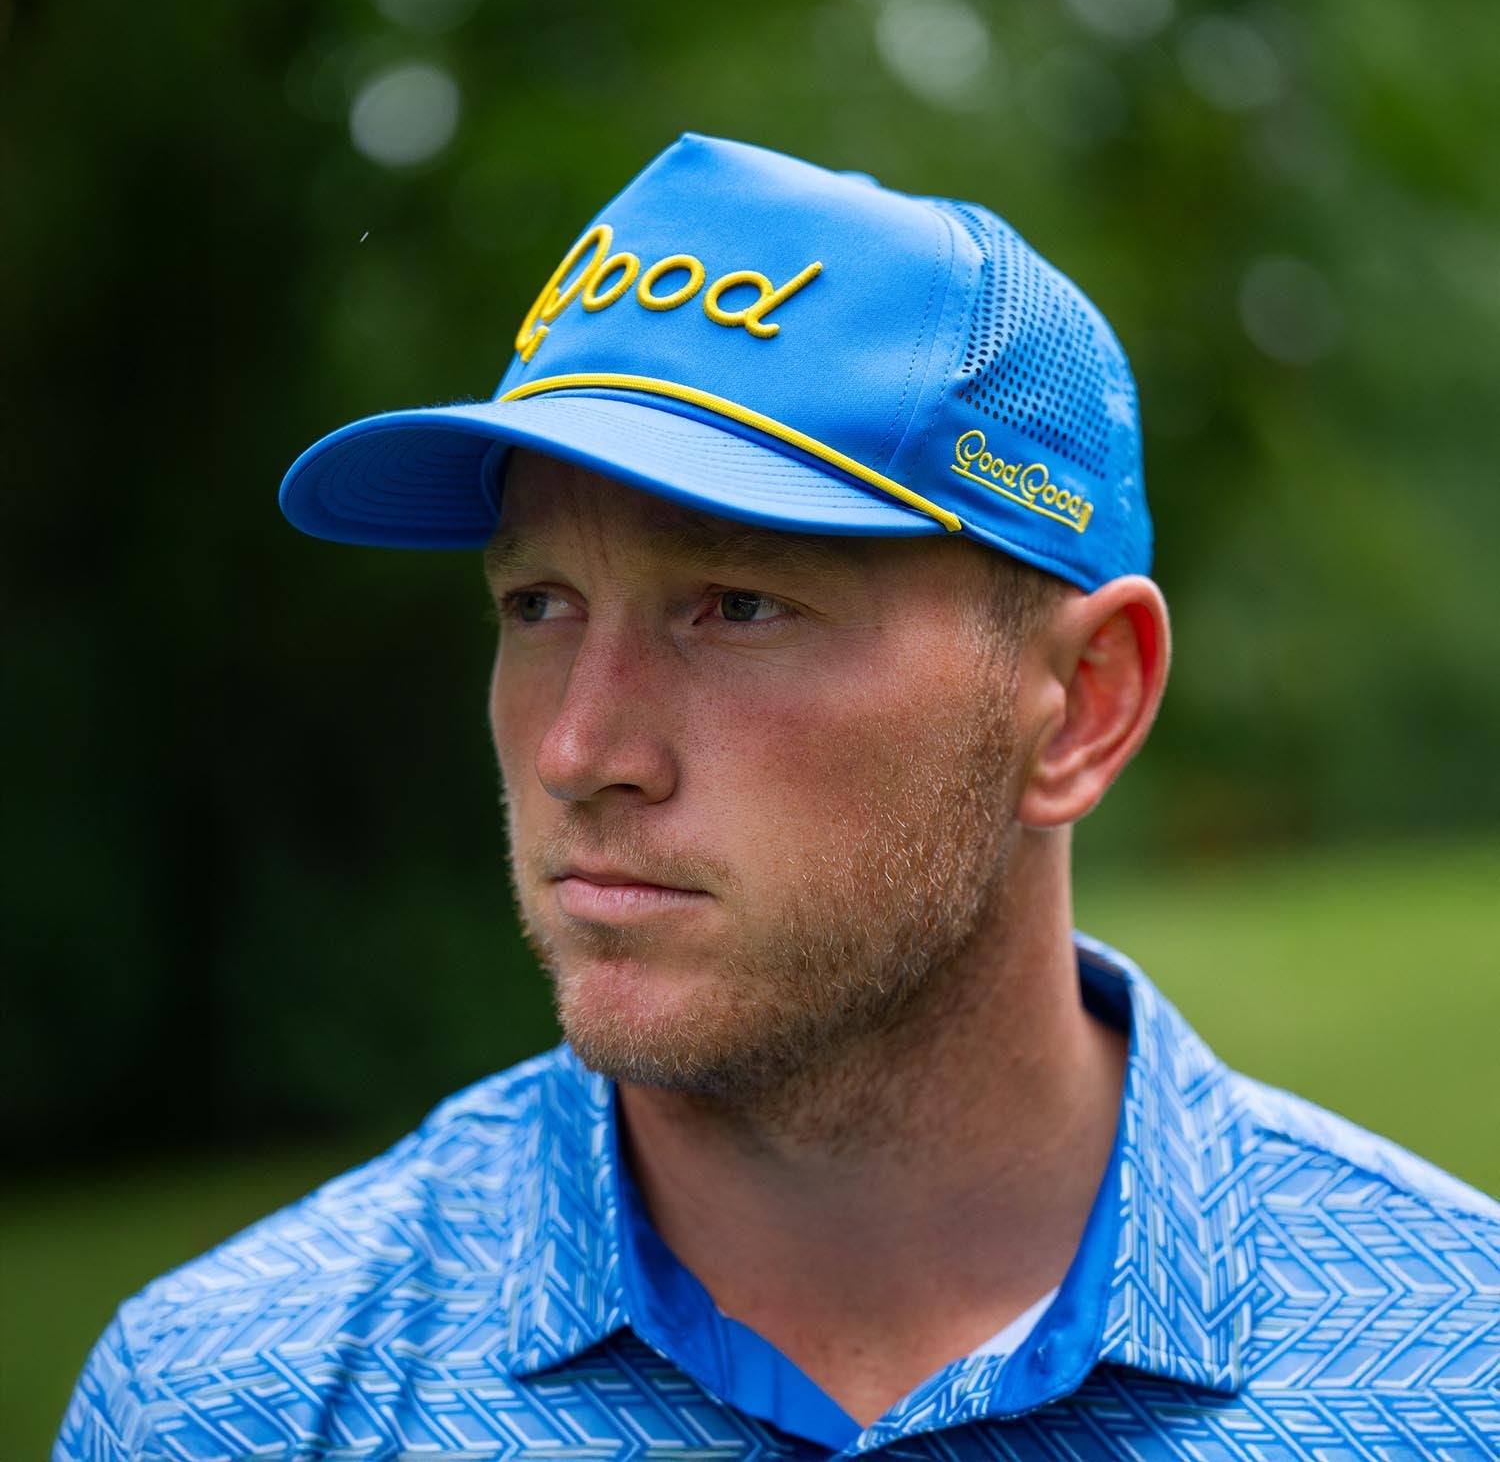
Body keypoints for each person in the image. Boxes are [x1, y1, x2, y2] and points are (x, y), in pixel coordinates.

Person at [58, 133, 1497, 1462]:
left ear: (1082, 704)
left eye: (739, 605)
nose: (580, 750)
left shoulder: (1457, 1375)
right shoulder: (231, 1405)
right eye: (538, 601)